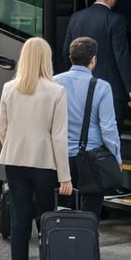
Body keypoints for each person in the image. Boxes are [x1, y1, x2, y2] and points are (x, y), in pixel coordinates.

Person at [0, 37, 73, 260]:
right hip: (44, 163)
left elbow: (2, 129)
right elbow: (59, 137)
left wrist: (14, 147)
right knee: (47, 220)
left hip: (14, 161)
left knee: (19, 221)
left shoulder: (9, 88)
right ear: (46, 59)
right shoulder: (56, 91)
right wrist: (65, 176)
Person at [54, 37, 121, 217]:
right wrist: (116, 156)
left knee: (61, 213)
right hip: (90, 158)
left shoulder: (54, 82)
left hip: (59, 157)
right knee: (89, 214)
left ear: (70, 58)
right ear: (93, 60)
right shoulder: (102, 87)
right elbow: (108, 128)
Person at [64, 0, 131, 132]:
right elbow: (121, 56)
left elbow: (66, 52)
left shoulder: (75, 17)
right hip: (110, 90)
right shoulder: (116, 20)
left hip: (79, 89)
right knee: (109, 134)